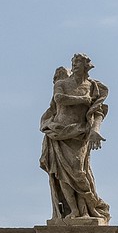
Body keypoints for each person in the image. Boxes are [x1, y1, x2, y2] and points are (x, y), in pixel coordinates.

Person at [39, 53, 110, 222]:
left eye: (79, 62)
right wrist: (83, 99)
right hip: (58, 132)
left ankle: (90, 206)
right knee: (61, 173)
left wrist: (95, 130)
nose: (75, 64)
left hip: (79, 134)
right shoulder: (62, 83)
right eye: (74, 62)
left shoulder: (94, 87)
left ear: (87, 65)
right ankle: (74, 211)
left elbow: (98, 112)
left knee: (79, 171)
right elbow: (59, 99)